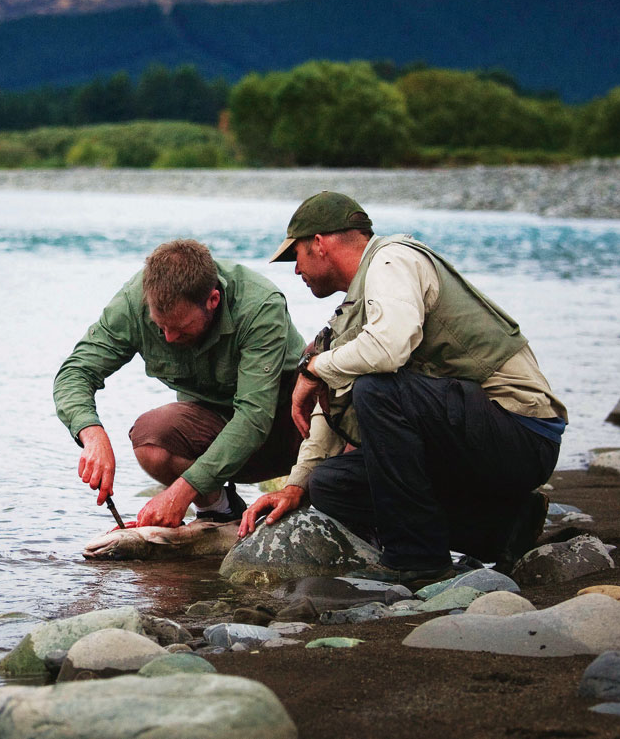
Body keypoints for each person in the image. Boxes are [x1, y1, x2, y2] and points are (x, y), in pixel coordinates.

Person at [239, 192, 567, 585]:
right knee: (329, 485)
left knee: (378, 391)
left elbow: (387, 350)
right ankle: (501, 528)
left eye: (297, 257)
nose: (296, 272)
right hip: (472, 440)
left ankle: (417, 558)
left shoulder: (393, 261)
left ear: (320, 244)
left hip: (522, 432)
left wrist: (313, 371)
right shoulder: (357, 308)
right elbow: (333, 401)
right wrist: (295, 485)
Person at [54, 239, 306, 527]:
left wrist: (180, 492)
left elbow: (254, 416)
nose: (170, 338)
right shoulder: (133, 302)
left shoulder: (259, 306)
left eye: (181, 328)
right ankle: (220, 511)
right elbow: (75, 372)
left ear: (213, 301)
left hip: (287, 435)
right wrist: (92, 434)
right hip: (213, 433)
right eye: (161, 327)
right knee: (151, 436)